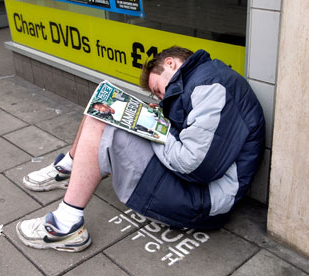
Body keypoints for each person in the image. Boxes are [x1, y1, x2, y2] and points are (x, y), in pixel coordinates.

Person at [16, 46, 265, 253]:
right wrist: (157, 120)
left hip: (204, 201)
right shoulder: (205, 80)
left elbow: (195, 165)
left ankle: (66, 225)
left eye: (158, 89)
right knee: (104, 102)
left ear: (171, 63)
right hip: (194, 186)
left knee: (103, 117)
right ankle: (68, 168)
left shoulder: (211, 86)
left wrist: (154, 129)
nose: (160, 97)